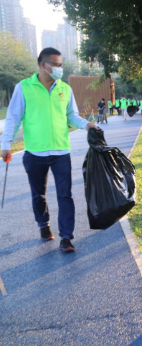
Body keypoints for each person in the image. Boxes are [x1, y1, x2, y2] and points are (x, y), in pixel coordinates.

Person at [0, 47, 99, 253]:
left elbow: (71, 115)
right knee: (39, 195)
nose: (59, 68)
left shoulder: (64, 89)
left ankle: (66, 237)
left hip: (61, 152)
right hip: (34, 153)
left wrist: (86, 124)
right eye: (56, 64)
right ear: (43, 65)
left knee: (65, 195)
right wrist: (6, 144)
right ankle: (43, 224)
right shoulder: (24, 87)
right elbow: (13, 118)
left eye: (60, 64)